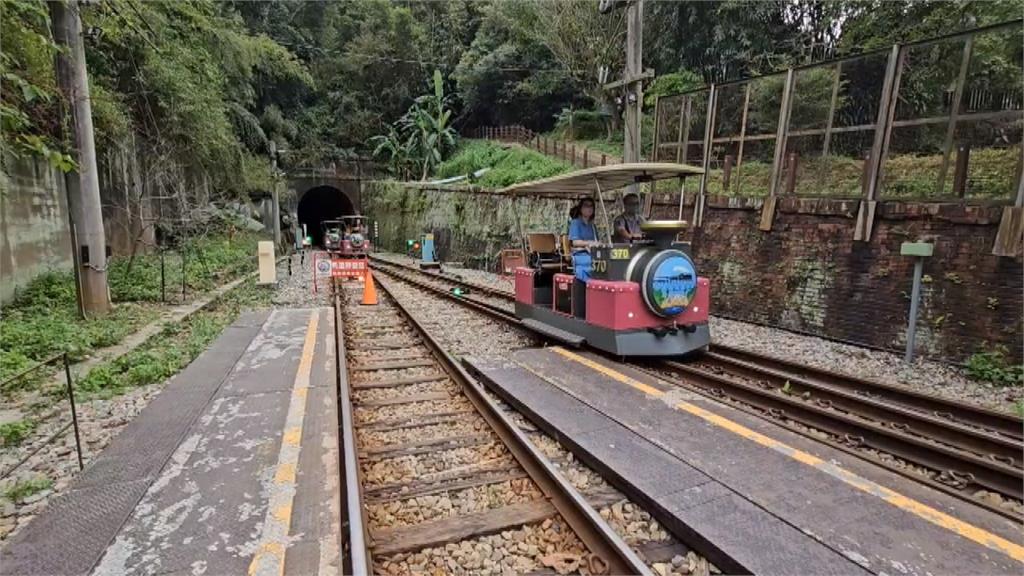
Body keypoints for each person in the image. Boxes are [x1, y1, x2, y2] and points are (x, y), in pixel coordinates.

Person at [568, 198, 599, 281]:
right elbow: (575, 242)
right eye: (586, 205)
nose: (589, 208)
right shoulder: (575, 223)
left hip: (593, 254)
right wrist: (588, 243)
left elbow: (596, 242)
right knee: (594, 264)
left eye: (591, 206)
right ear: (581, 208)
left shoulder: (592, 226)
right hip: (580, 255)